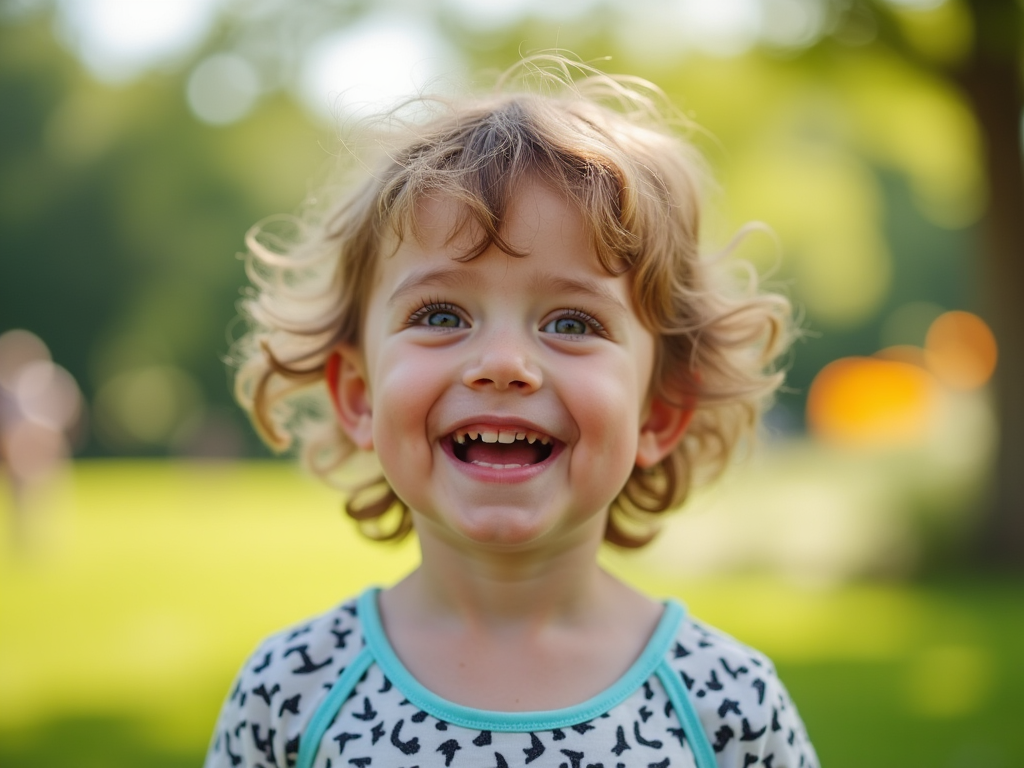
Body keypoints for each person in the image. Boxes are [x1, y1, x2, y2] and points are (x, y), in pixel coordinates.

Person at [205, 55, 818, 768]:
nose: (503, 363)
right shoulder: (294, 695)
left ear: (659, 411)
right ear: (358, 395)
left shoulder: (726, 706)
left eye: (571, 323)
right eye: (440, 313)